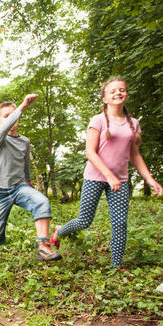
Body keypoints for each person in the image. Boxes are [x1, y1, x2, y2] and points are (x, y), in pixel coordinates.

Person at [50, 78, 162, 268]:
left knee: (120, 223)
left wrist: (150, 180)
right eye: (113, 91)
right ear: (104, 98)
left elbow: (135, 155)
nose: (118, 93)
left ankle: (116, 266)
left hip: (121, 179)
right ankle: (59, 231)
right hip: (95, 177)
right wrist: (109, 176)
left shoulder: (133, 123)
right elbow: (90, 152)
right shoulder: (98, 120)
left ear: (126, 95)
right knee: (84, 221)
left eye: (122, 90)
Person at [0, 94, 61, 267]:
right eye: (6, 116)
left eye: (14, 115)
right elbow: (5, 127)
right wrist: (22, 106)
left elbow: (25, 163)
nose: (13, 118)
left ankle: (42, 245)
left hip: (19, 187)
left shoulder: (24, 141)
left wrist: (28, 181)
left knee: (41, 202)